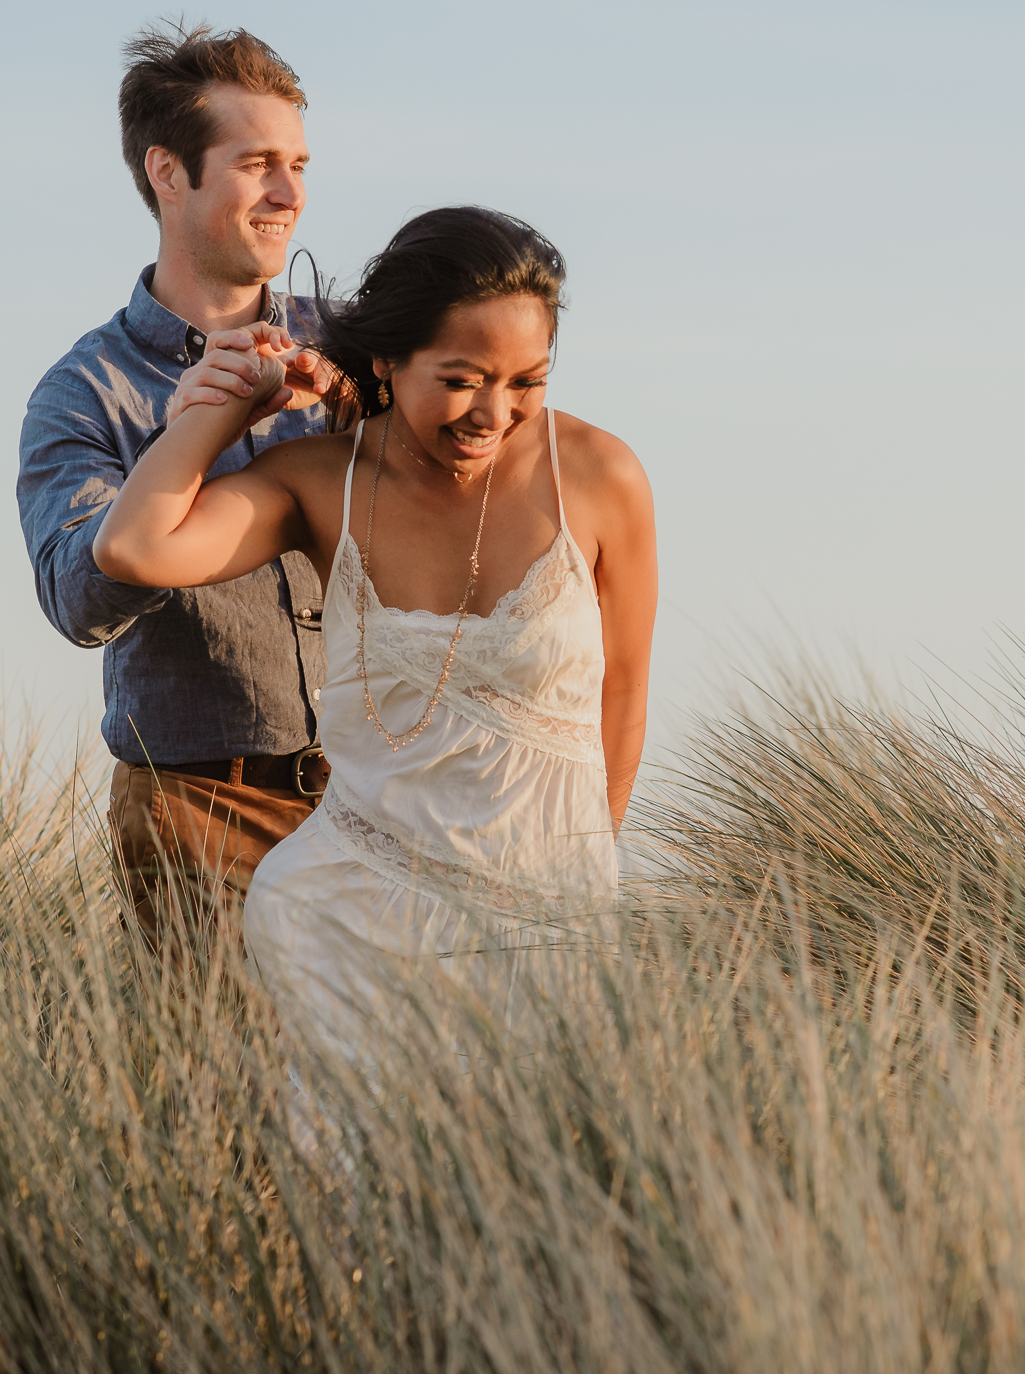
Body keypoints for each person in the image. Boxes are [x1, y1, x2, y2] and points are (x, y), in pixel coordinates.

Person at [90, 208, 656, 1033]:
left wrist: (580, 888)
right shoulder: (321, 483)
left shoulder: (603, 476)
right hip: (348, 929)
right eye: (462, 379)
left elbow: (626, 698)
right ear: (389, 358)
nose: (494, 413)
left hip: (546, 932)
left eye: (527, 382)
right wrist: (230, 408)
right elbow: (135, 547)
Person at [16, 22, 355, 941]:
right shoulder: (83, 392)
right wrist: (190, 443)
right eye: (256, 164)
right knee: (223, 1087)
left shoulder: (359, 346)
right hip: (202, 815)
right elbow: (78, 602)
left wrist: (369, 409)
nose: (289, 193)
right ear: (168, 173)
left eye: (298, 163)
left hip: (383, 796)